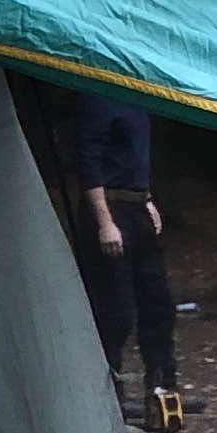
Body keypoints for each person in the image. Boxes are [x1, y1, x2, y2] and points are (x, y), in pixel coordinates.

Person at [70, 92, 188, 413]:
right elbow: (89, 162)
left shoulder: (135, 97)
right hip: (110, 208)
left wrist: (147, 199)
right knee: (116, 308)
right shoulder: (96, 98)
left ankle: (161, 384)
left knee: (158, 301)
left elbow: (135, 157)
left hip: (137, 207)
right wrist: (104, 221)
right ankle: (108, 387)